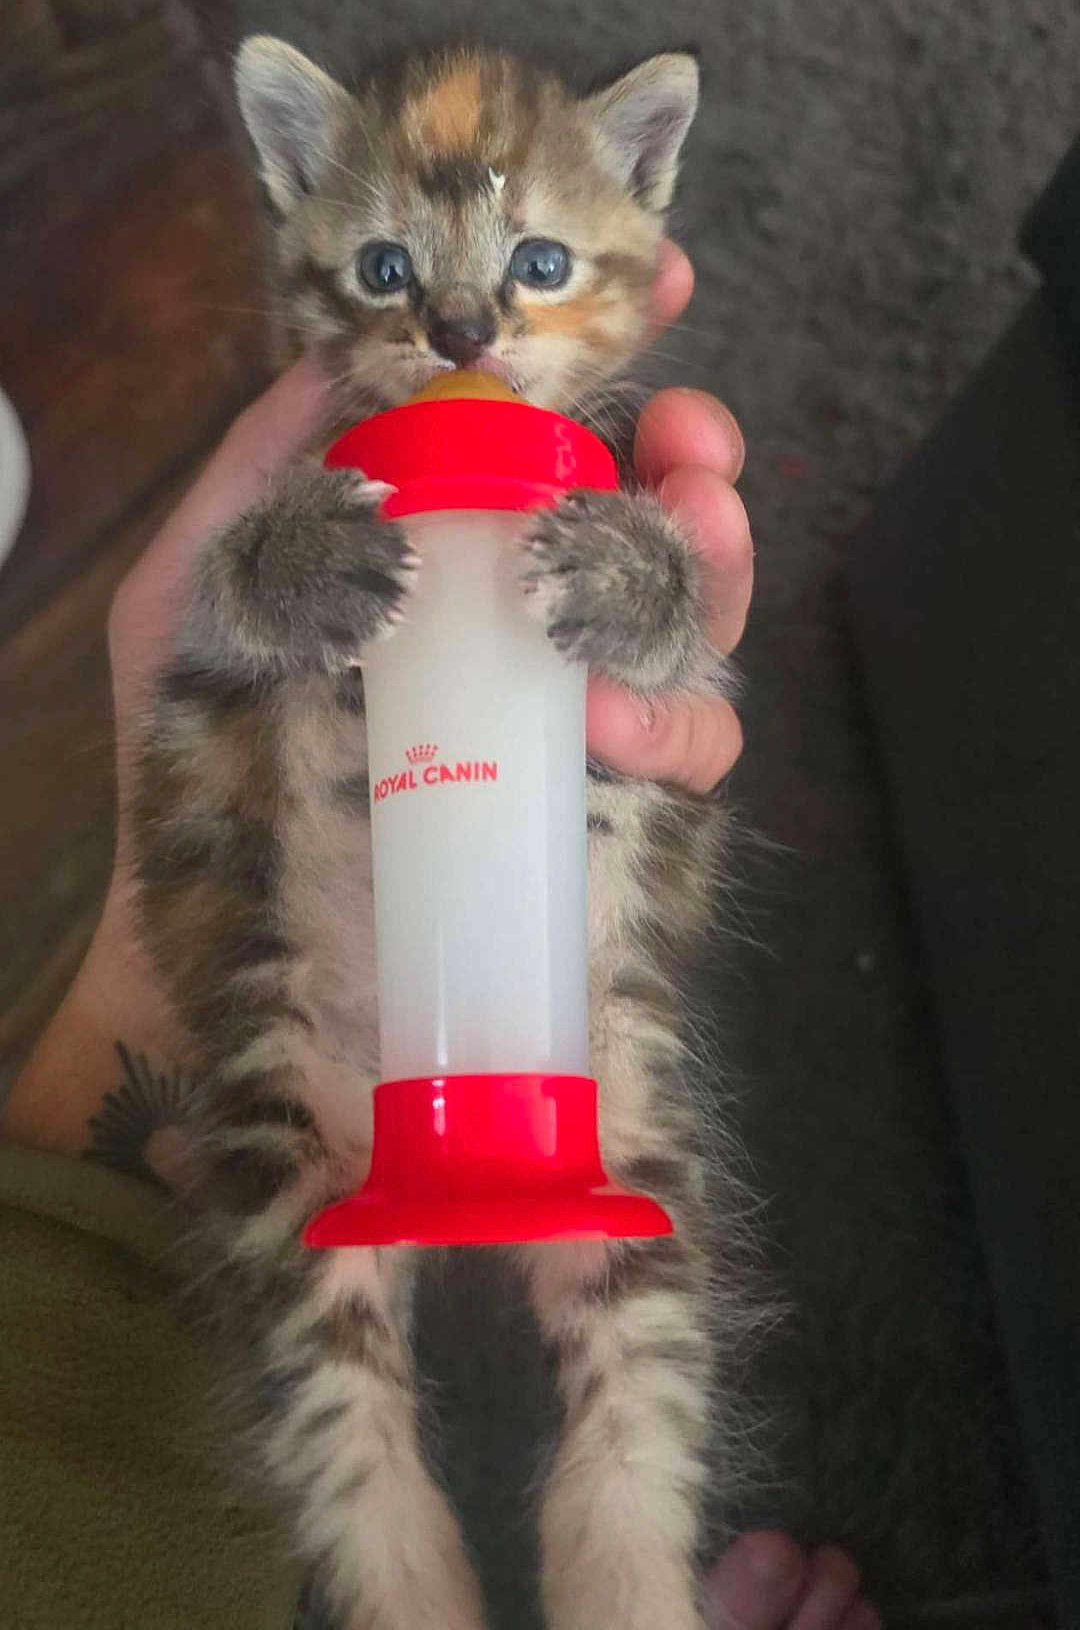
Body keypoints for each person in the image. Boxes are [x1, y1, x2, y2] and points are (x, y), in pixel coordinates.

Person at [0, 242, 879, 1630]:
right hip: (308, 980)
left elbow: (654, 664)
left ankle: (633, 1573)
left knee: (622, 1280)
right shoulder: (319, 478)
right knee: (364, 1471)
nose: (464, 322)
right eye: (393, 266)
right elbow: (229, 640)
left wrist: (646, 597)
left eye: (534, 262)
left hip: (536, 998)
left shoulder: (583, 473)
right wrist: (277, 567)